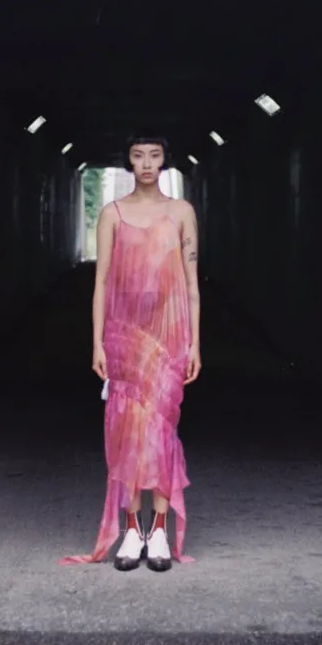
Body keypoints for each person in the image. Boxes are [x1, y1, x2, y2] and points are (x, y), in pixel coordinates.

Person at [60, 135, 201, 570]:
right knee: (127, 432)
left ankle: (159, 530)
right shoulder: (112, 213)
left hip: (169, 337)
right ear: (128, 161)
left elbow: (192, 283)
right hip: (124, 335)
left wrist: (196, 342)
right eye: (139, 156)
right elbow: (100, 282)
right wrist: (97, 342)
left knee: (161, 431)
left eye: (155, 156)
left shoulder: (182, 212)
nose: (147, 163)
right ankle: (132, 530)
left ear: (164, 161)